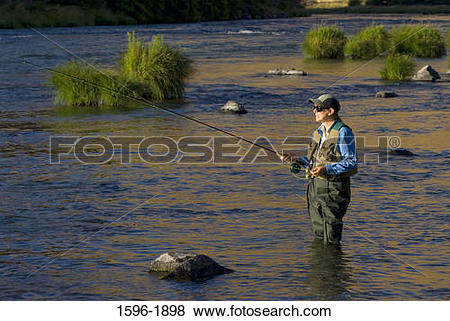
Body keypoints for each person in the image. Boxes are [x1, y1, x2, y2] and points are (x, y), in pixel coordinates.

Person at [280, 94, 357, 245]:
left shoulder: (343, 132)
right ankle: (321, 266)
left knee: (331, 234)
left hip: (334, 189)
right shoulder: (317, 132)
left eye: (318, 108)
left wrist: (326, 169)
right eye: (314, 108)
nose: (314, 111)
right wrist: (295, 158)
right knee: (319, 232)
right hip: (314, 188)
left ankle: (334, 265)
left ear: (331, 111)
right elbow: (312, 161)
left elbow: (351, 162)